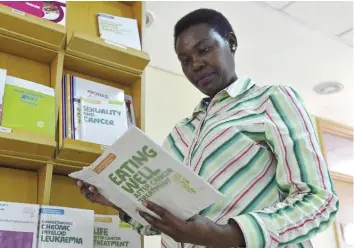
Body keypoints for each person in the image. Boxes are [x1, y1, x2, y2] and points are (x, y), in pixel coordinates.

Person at [75, 8, 339, 248]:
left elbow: (318, 200)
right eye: (185, 59)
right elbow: (163, 222)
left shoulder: (271, 101)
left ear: (231, 43)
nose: (195, 65)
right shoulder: (180, 133)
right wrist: (115, 200)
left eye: (204, 50)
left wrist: (227, 235)